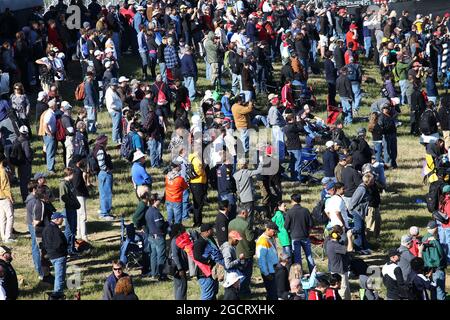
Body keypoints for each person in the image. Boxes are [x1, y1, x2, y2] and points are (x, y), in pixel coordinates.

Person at [284, 193, 315, 273]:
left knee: (297, 258)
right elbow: (311, 224)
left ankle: (299, 276)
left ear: (292, 201)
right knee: (309, 256)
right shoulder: (306, 211)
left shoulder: (290, 212)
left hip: (295, 237)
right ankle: (313, 274)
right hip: (305, 236)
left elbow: (286, 226)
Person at [228, 208, 255, 296]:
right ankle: (243, 292)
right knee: (246, 274)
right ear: (243, 212)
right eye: (247, 213)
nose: (248, 215)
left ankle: (239, 290)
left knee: (239, 273)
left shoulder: (231, 222)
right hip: (246, 252)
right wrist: (255, 232)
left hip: (235, 252)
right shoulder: (246, 224)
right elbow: (250, 239)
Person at [42, 212, 68, 296]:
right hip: (58, 255)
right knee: (59, 276)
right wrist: (63, 251)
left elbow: (44, 243)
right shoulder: (54, 230)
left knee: (59, 275)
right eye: (61, 218)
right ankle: (57, 295)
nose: (63, 220)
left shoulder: (47, 228)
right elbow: (58, 244)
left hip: (51, 255)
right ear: (56, 219)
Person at [193, 223, 220, 300]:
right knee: (207, 295)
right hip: (204, 273)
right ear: (207, 231)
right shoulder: (199, 242)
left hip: (213, 271)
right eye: (212, 229)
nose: (213, 230)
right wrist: (208, 261)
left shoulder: (210, 238)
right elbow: (197, 256)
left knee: (213, 292)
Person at [233, 158, 263, 226]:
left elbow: (237, 188)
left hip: (241, 198)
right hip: (249, 198)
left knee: (242, 215)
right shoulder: (247, 173)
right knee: (249, 216)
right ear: (245, 165)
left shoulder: (235, 175)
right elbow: (259, 170)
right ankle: (248, 230)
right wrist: (261, 161)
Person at [348, 173, 373, 254]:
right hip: (357, 212)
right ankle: (350, 234)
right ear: (368, 181)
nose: (373, 182)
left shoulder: (366, 187)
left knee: (361, 230)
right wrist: (352, 211)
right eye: (372, 180)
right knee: (358, 229)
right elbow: (353, 201)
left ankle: (362, 247)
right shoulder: (361, 189)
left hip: (361, 212)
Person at [422, 220, 447, 300]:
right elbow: (438, 257)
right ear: (435, 228)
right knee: (440, 293)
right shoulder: (434, 241)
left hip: (428, 270)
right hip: (436, 270)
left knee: (433, 292)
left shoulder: (424, 238)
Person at [145, 193, 168, 281]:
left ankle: (154, 274)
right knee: (161, 256)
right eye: (158, 200)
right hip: (158, 236)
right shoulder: (155, 212)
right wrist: (166, 224)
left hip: (151, 236)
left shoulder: (148, 211)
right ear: (154, 201)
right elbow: (159, 224)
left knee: (153, 256)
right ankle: (161, 275)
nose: (160, 201)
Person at [326, 225, 352, 300]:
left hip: (338, 270)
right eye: (341, 234)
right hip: (340, 272)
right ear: (335, 235)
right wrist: (350, 238)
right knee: (342, 293)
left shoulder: (329, 242)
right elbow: (350, 249)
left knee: (347, 292)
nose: (341, 236)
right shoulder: (335, 245)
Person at [59, 167, 80, 256]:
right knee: (68, 230)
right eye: (73, 174)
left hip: (73, 208)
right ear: (70, 175)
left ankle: (72, 248)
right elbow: (64, 198)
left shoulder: (69, 183)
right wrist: (72, 203)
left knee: (73, 228)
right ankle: (67, 249)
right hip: (67, 209)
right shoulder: (63, 184)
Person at [256, 221, 279, 300]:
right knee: (272, 294)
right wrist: (266, 273)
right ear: (268, 229)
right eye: (274, 232)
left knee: (272, 293)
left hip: (272, 270)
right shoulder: (262, 241)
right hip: (269, 272)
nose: (275, 234)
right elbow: (261, 259)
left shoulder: (269, 238)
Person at [93, 135, 114, 220]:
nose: (107, 142)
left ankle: (102, 209)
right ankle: (105, 213)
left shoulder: (96, 148)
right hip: (104, 173)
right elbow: (101, 162)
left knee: (103, 193)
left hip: (100, 173)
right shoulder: (100, 150)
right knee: (107, 193)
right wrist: (107, 170)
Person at [170, 224, 189, 300]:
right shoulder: (175, 241)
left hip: (179, 267)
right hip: (179, 268)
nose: (185, 231)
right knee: (182, 288)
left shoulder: (178, 239)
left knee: (178, 287)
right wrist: (180, 269)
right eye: (183, 229)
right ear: (178, 231)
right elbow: (175, 256)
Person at [0, 153, 15, 244]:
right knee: (10, 216)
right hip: (4, 196)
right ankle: (8, 236)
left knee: (2, 217)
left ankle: (3, 236)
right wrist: (10, 197)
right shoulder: (3, 171)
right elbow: (5, 186)